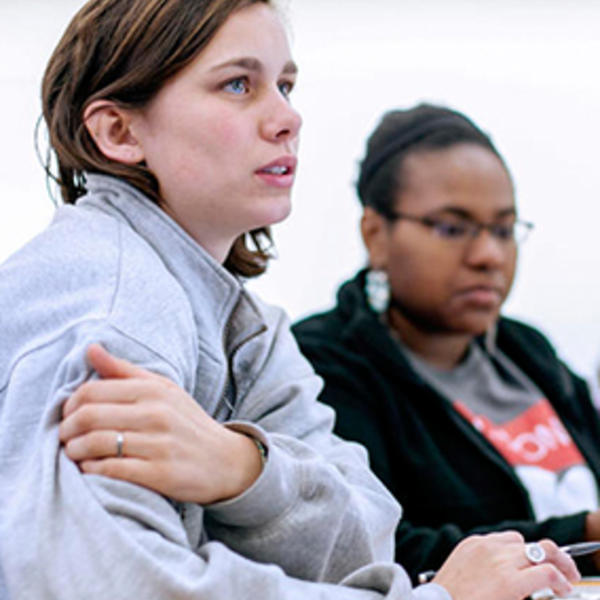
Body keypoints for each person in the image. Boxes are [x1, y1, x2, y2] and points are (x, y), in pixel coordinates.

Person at [0, 2, 579, 598]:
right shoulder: (111, 313)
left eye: (285, 85)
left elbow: (368, 540)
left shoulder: (245, 323)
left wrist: (244, 467)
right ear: (120, 132)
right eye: (237, 85)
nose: (287, 117)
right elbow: (99, 587)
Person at [292, 103, 600, 583]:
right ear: (375, 234)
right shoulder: (322, 367)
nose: (488, 255)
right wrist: (584, 536)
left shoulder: (529, 353)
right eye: (452, 228)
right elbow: (374, 548)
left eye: (503, 229)